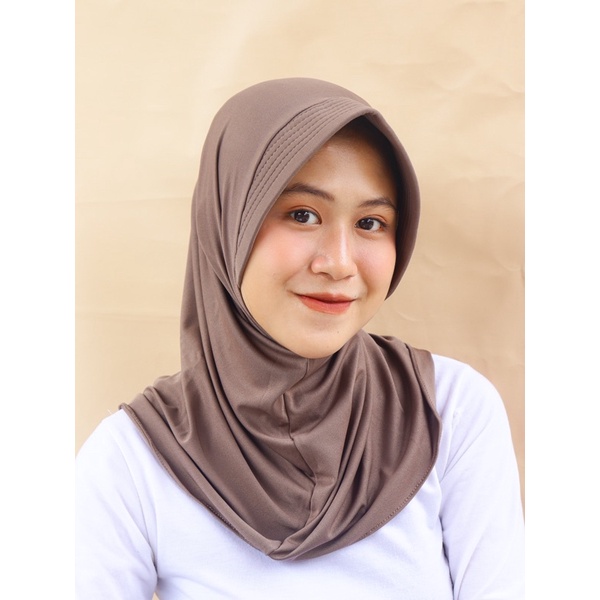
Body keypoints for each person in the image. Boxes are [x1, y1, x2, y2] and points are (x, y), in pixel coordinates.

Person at [75, 78, 524, 599]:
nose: (339, 263)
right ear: (228, 221)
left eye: (371, 222)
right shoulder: (134, 459)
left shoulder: (448, 411)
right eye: (302, 215)